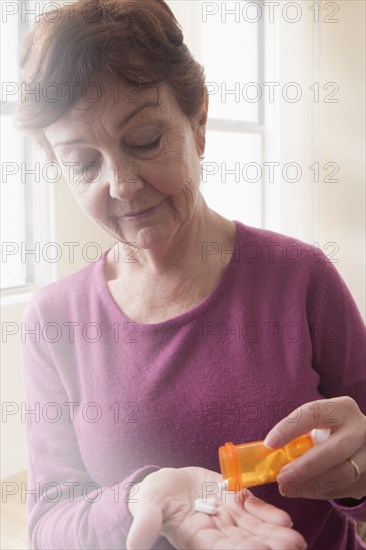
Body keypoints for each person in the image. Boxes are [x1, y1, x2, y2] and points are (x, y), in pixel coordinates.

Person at [16, 0, 365, 549]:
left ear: (198, 121)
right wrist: (141, 498)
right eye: (83, 163)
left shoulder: (302, 279)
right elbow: (50, 523)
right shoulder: (55, 320)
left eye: (146, 140)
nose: (123, 184)